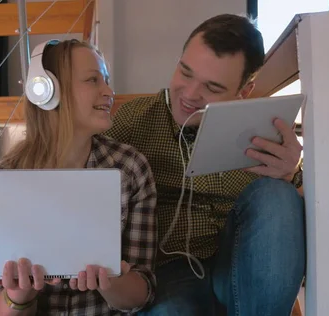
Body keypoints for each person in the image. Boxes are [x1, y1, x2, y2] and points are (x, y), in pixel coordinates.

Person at [103, 14, 306, 316]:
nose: (190, 94)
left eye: (212, 88)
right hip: (170, 268)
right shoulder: (133, 121)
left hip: (244, 263)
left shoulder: (265, 130)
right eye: (185, 73)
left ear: (245, 91)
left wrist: (291, 177)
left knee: (277, 196)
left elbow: (300, 219)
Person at [0, 39, 158, 315]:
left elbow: (141, 294)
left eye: (107, 81)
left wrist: (110, 279)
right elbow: (0, 307)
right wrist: (20, 295)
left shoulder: (129, 168)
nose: (109, 92)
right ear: (47, 92)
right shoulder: (1, 180)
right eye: (93, 80)